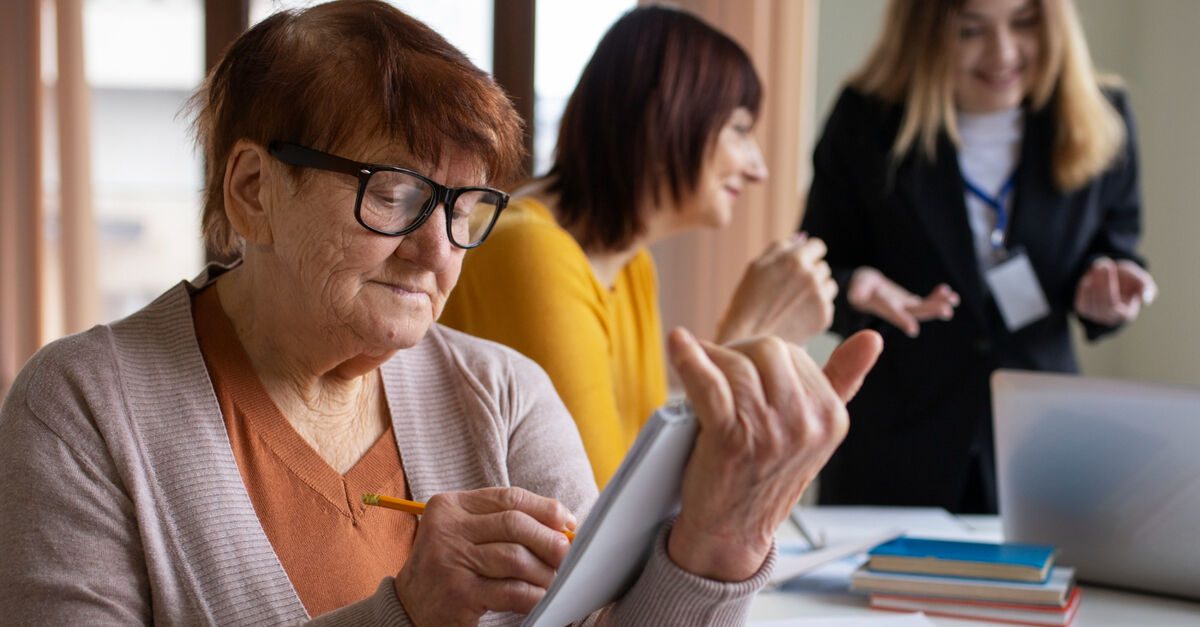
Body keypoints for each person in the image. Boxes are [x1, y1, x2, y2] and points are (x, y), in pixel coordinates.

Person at [0, 1, 882, 624]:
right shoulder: (82, 405)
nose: (441, 250)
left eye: (467, 207)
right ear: (253, 189)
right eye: (393, 194)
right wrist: (404, 617)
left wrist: (724, 540)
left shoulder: (501, 393)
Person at [440, 6, 838, 487]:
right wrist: (750, 334)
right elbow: (600, 513)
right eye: (739, 129)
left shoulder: (630, 263)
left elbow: (646, 489)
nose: (758, 168)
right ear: (665, 116)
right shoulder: (531, 250)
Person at [802, 0, 1157, 514]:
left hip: (1042, 445)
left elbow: (1116, 248)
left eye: (1024, 23)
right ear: (922, 34)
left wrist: (1109, 291)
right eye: (970, 30)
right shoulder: (866, 121)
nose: (1003, 52)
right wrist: (855, 284)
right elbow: (816, 265)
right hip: (897, 445)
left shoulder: (1106, 113)